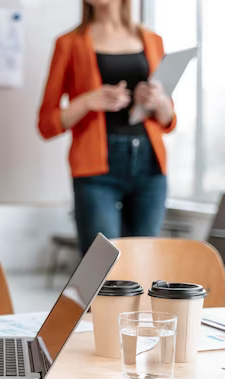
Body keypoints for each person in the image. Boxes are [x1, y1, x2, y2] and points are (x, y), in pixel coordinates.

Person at [38, 0, 176, 255]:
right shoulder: (68, 43)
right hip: (95, 171)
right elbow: (46, 124)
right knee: (100, 268)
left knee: (145, 265)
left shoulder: (153, 40)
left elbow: (168, 120)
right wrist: (87, 101)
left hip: (150, 166)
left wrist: (158, 102)